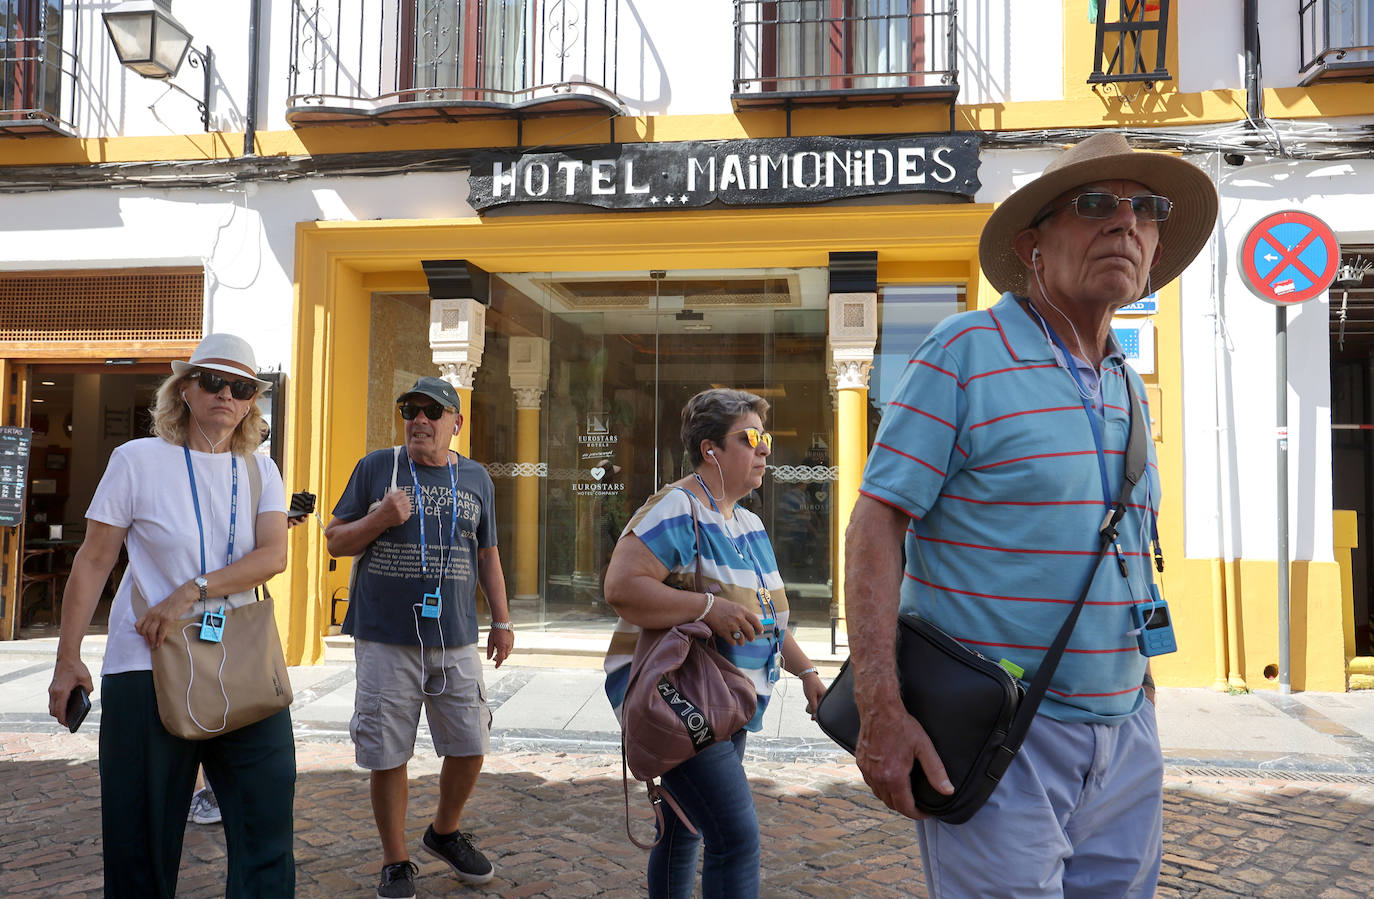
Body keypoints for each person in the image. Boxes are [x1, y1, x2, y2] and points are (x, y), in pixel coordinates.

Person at [844, 132, 1218, 897]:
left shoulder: (1125, 381)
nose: (1126, 222)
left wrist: (1143, 688)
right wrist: (879, 705)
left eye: (1146, 208)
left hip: (1125, 734)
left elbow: (1126, 546)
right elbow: (874, 524)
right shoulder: (963, 352)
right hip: (1002, 732)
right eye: (1095, 203)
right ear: (1032, 246)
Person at [46, 332, 295, 897]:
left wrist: (190, 592)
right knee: (140, 840)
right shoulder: (137, 460)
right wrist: (68, 659)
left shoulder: (261, 471)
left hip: (240, 661)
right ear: (184, 389)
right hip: (148, 662)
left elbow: (272, 556)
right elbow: (94, 560)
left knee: (267, 831)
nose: (226, 394)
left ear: (251, 402)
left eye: (241, 387)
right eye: (213, 381)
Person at [603, 388, 827, 899]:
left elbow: (769, 618)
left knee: (683, 827)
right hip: (682, 699)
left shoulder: (749, 523)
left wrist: (808, 672)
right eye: (751, 438)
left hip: (732, 702)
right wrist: (708, 608)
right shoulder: (678, 508)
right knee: (735, 838)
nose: (764, 449)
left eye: (766, 438)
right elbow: (622, 587)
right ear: (710, 449)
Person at [324, 376, 513, 899]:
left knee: (471, 742)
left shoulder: (476, 477)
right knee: (388, 752)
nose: (420, 420)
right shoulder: (376, 468)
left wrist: (501, 621)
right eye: (410, 410)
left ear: (457, 422)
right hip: (385, 636)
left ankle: (444, 831)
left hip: (454, 635)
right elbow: (335, 541)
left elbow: (487, 554)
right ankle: (396, 860)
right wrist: (381, 517)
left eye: (433, 411)